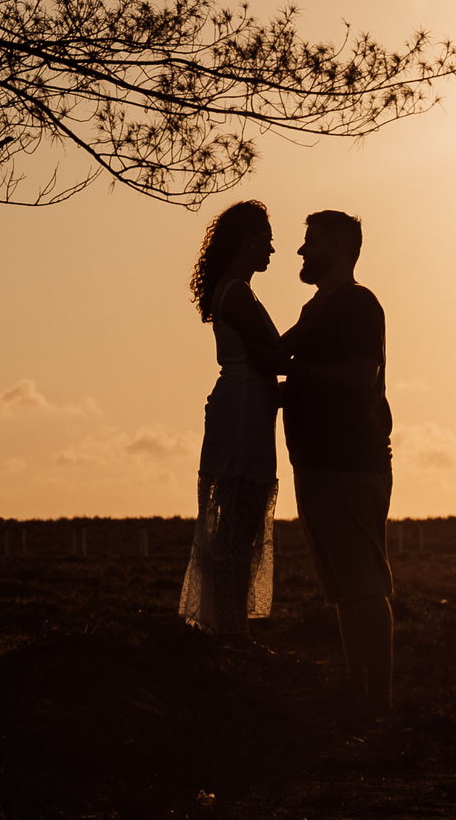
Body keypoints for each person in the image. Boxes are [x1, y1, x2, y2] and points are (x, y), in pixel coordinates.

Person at [280, 209, 394, 717]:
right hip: (318, 465)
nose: (301, 251)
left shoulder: (356, 304)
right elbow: (281, 365)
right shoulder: (315, 309)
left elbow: (360, 375)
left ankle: (378, 700)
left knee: (363, 584)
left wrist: (293, 373)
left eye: (311, 241)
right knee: (345, 589)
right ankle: (358, 692)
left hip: (350, 463)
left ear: (341, 249)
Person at [179, 200, 282, 632]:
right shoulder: (237, 291)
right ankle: (230, 631)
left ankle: (230, 629)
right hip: (241, 412)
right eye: (268, 240)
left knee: (240, 526)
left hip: (244, 407)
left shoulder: (235, 288)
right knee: (239, 527)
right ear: (249, 239)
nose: (273, 251)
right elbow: (274, 353)